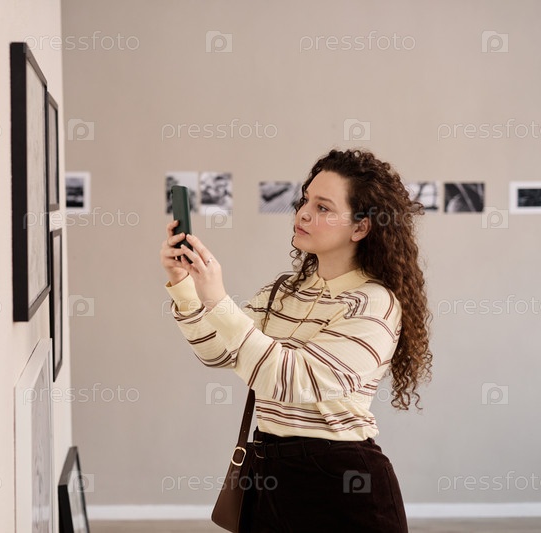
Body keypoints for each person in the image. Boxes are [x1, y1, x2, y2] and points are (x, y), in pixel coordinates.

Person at [159, 149, 432, 532]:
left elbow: (292, 379)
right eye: (305, 200)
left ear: (360, 228)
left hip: (342, 483)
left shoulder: (374, 303)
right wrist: (185, 285)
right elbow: (217, 351)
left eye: (322, 207)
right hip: (269, 474)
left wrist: (218, 300)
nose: (303, 213)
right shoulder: (284, 290)